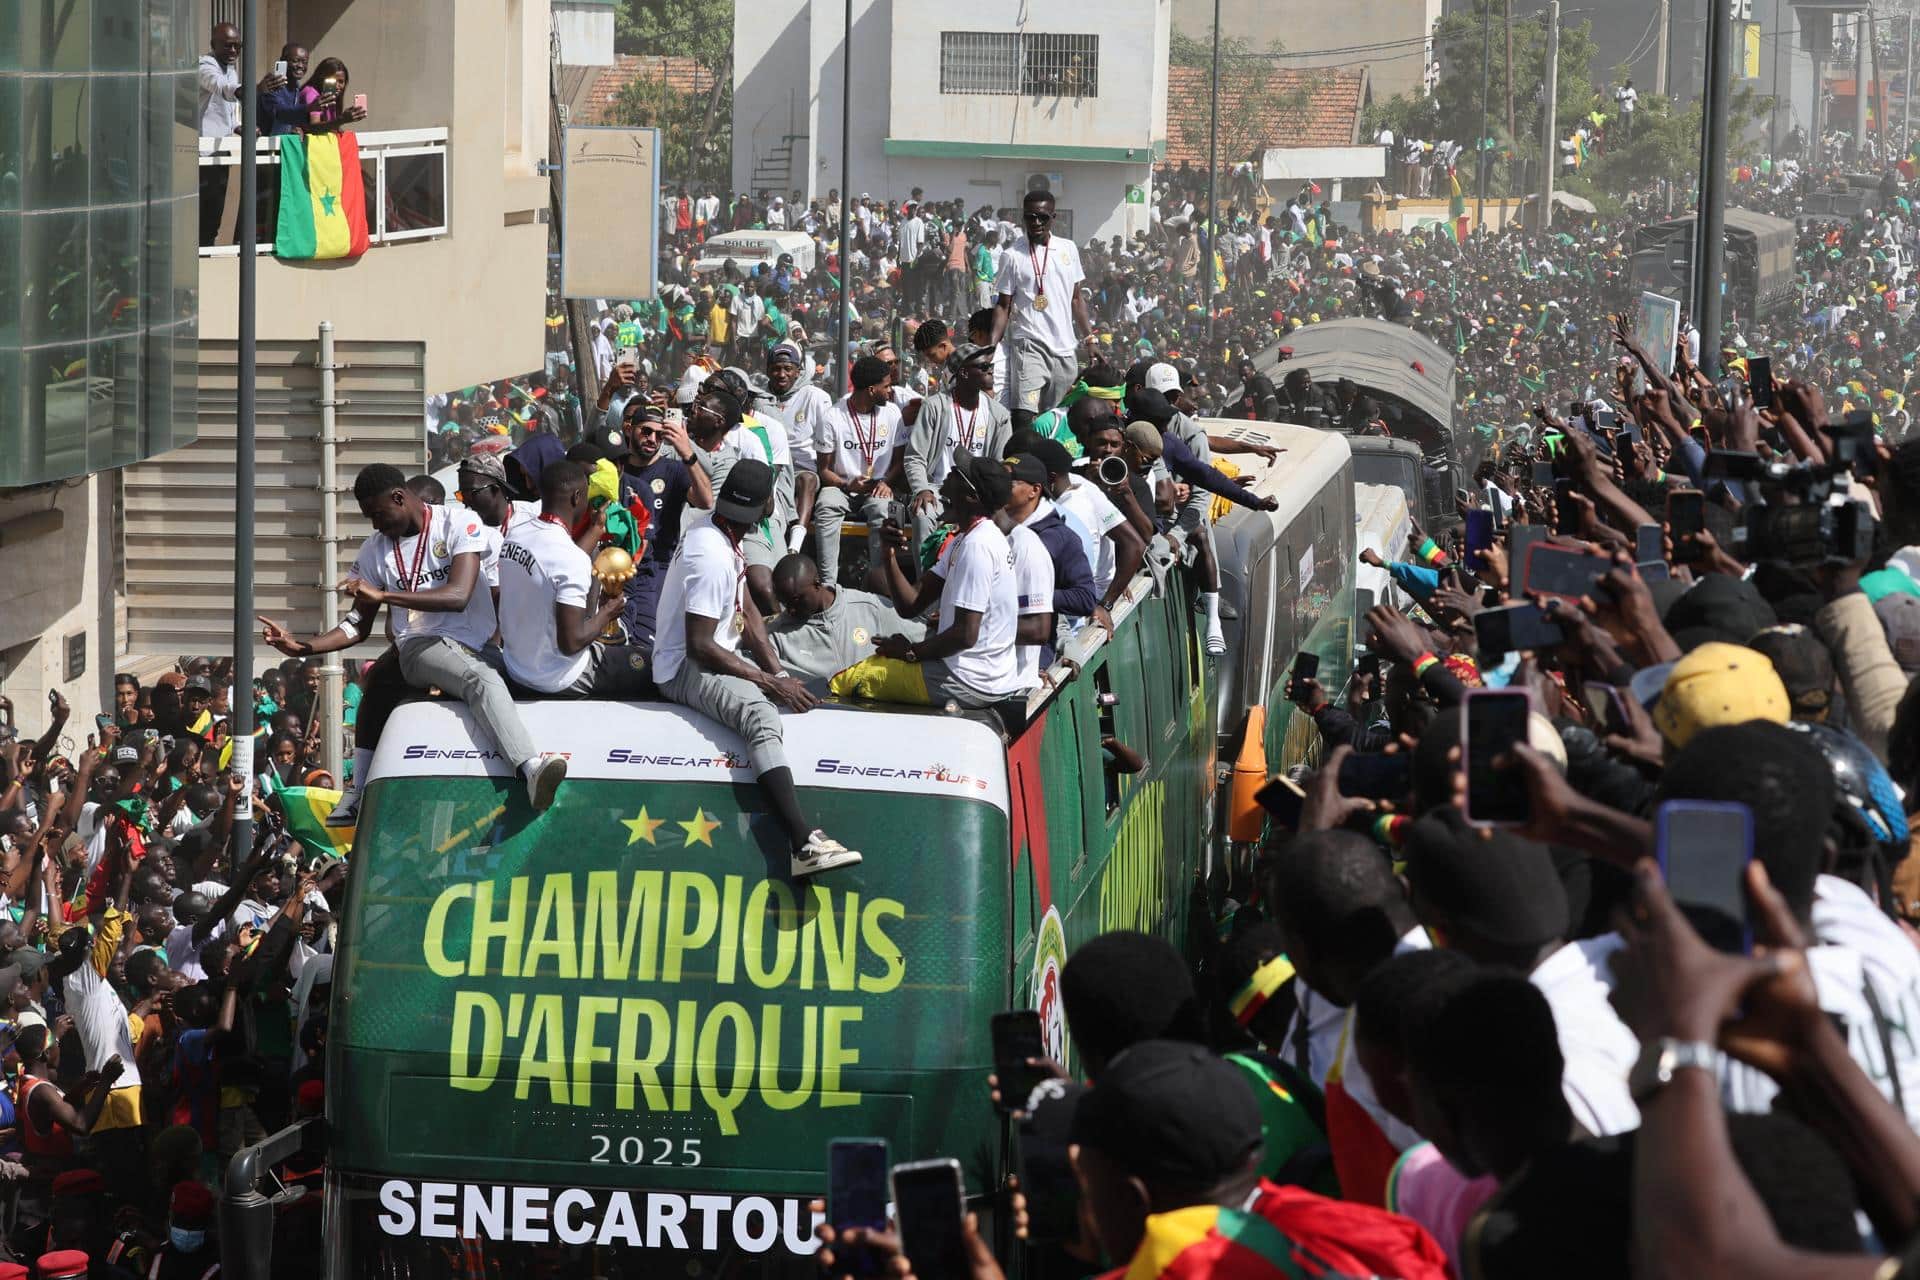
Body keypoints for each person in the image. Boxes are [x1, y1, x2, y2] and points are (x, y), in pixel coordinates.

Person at [256, 463, 568, 820]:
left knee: (522, 677)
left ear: (400, 497)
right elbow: (357, 623)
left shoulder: (458, 524)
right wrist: (304, 647)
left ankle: (359, 793)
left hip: (480, 644)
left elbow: (458, 595)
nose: (375, 525)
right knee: (477, 680)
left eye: (377, 514)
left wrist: (386, 596)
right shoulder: (374, 551)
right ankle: (530, 769)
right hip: (421, 646)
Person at [651, 460, 862, 876]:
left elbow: (746, 610)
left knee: (798, 685)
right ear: (767, 505)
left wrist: (780, 674)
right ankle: (803, 844)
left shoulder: (722, 530)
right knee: (761, 717)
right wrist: (767, 684)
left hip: (716, 650)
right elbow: (700, 647)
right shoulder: (710, 553)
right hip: (682, 668)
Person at [848, 455, 1027, 709]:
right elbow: (910, 604)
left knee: (856, 679)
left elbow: (965, 635)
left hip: (971, 681)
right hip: (970, 673)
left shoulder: (978, 546)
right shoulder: (964, 539)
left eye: (956, 473)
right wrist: (889, 555)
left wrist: (911, 652)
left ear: (971, 497)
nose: (948, 475)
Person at [496, 459, 656, 697]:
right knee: (652, 666)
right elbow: (571, 642)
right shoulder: (568, 558)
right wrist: (608, 613)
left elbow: (556, 565)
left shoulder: (515, 535)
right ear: (577, 496)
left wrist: (596, 529)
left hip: (517, 667)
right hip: (559, 678)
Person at [989, 190, 1092, 428]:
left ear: (1053, 217)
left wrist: (1090, 337)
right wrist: (990, 348)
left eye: (1042, 217)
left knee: (1054, 417)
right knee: (1025, 415)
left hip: (1066, 351)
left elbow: (1077, 299)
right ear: (1022, 217)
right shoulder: (1011, 255)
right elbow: (1003, 306)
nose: (1036, 222)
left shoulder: (1068, 249)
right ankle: (1022, 463)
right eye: (1030, 217)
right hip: (1029, 345)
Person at [904, 343, 1014, 554]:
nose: (990, 370)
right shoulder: (935, 406)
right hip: (938, 490)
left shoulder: (999, 415)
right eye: (983, 367)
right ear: (964, 372)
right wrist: (922, 489)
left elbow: (1000, 467)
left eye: (990, 365)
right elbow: (914, 457)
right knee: (923, 512)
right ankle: (925, 582)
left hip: (978, 496)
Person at [766, 554, 926, 691]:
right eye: (785, 603)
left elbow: (923, 638)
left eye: (796, 600)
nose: (791, 610)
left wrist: (908, 652)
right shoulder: (777, 634)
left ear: (817, 583)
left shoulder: (868, 607)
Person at [812, 356, 904, 590]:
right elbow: (823, 470)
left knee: (883, 510)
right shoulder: (833, 416)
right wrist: (846, 485)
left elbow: (899, 461)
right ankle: (828, 586)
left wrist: (886, 482)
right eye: (886, 386)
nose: (890, 390)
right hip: (843, 487)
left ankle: (880, 586)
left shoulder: (893, 413)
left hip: (879, 487)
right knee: (826, 505)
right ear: (872, 390)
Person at [196, 23, 243, 247]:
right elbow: (217, 85)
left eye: (237, 46)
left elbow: (228, 113)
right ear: (213, 44)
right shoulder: (205, 65)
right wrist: (242, 91)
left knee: (215, 210)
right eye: (228, 46)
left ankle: (206, 253)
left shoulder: (231, 69)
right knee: (201, 209)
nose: (233, 51)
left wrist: (239, 126)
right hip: (201, 153)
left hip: (221, 151)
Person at [256, 43, 311, 136]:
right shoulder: (271, 83)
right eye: (296, 61)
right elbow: (280, 113)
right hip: (264, 146)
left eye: (305, 62)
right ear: (282, 61)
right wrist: (309, 108)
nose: (301, 66)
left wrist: (293, 128)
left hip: (282, 145)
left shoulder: (295, 86)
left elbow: (289, 117)